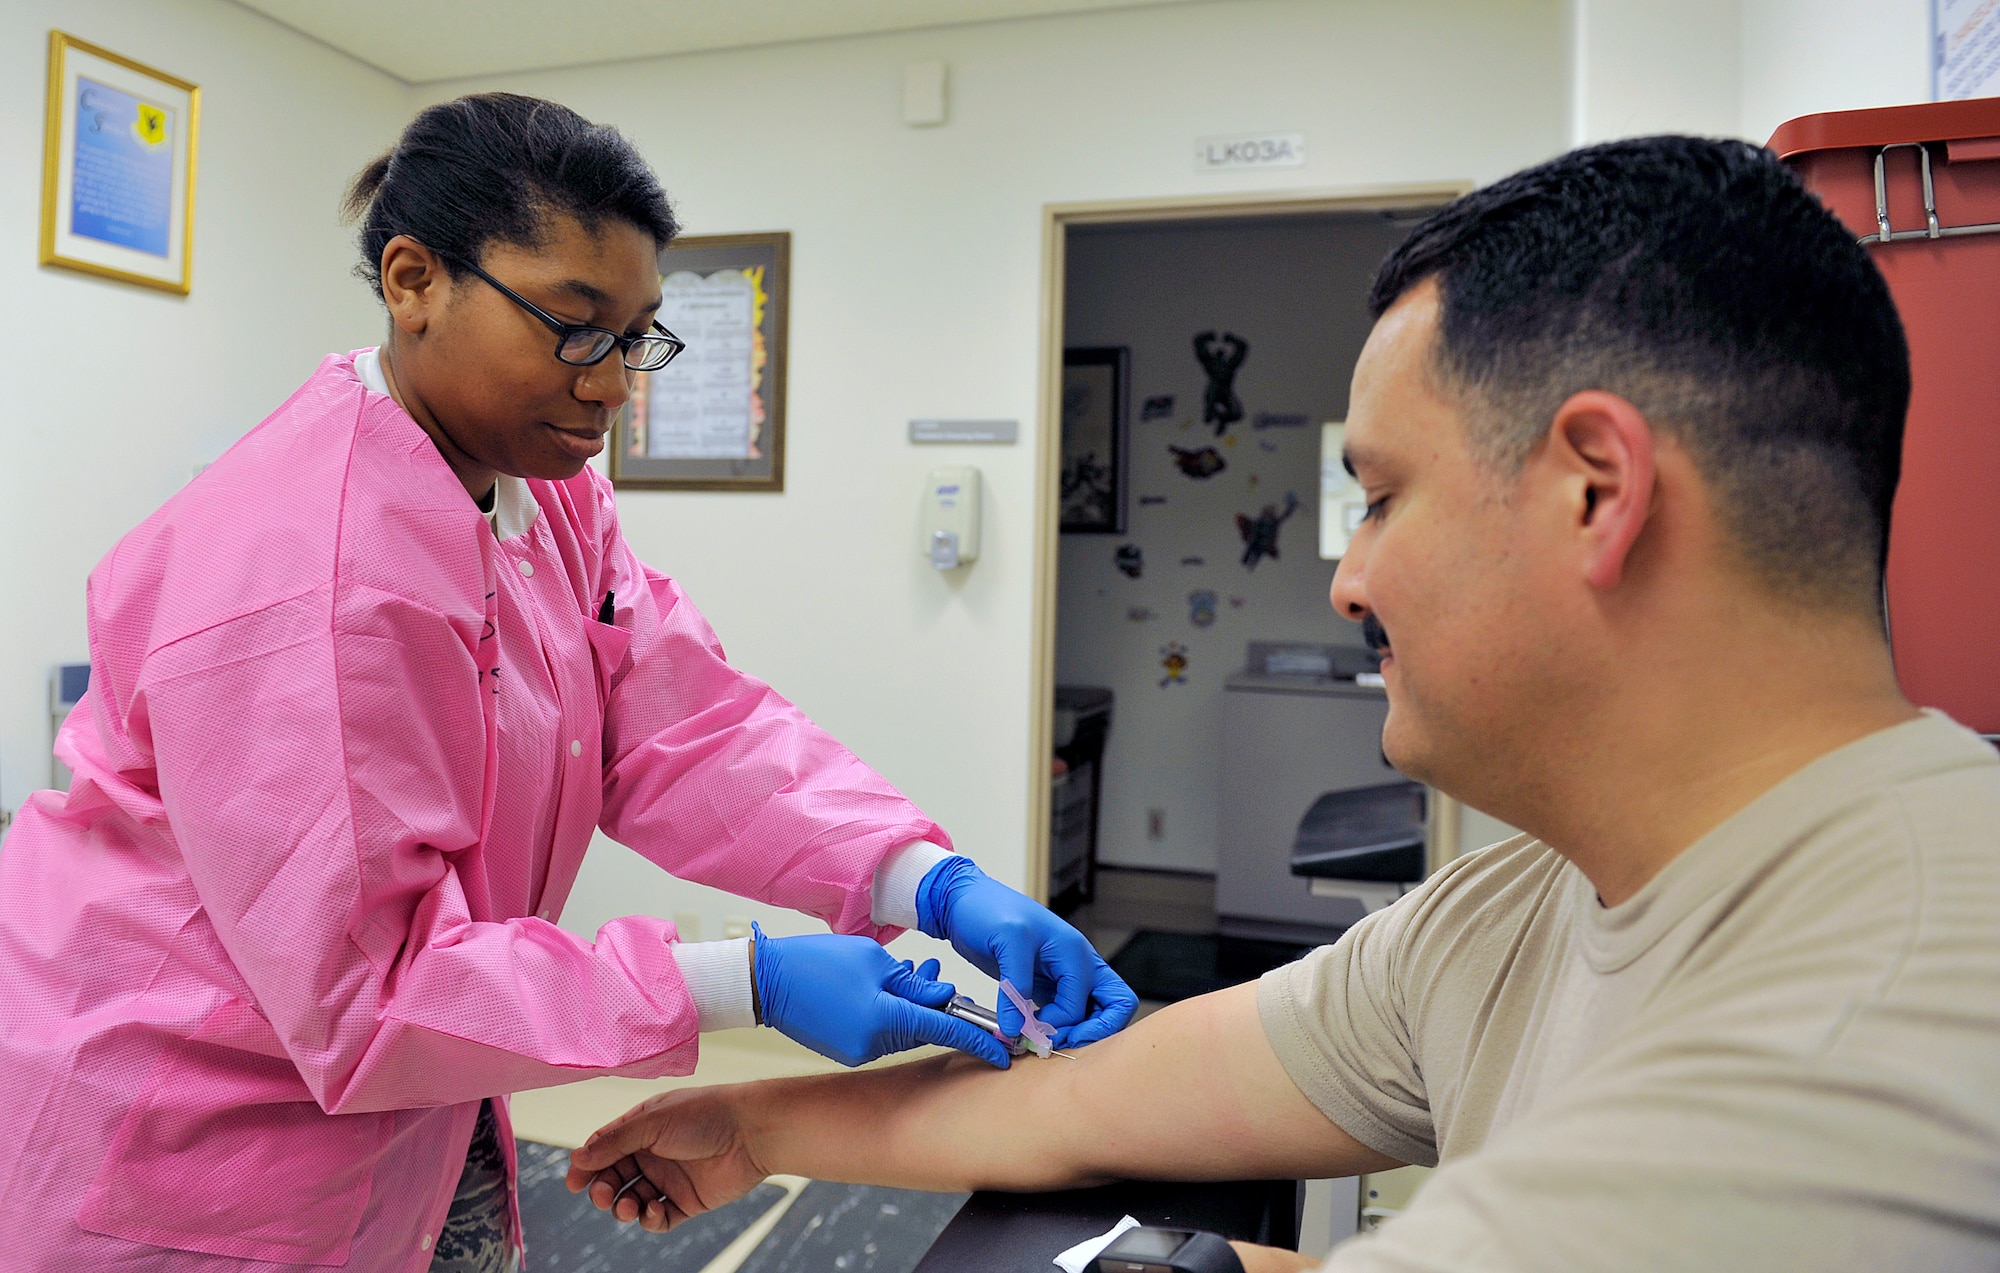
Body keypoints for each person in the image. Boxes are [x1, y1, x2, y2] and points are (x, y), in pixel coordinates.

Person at [567, 136, 2000, 1271]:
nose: (1346, 577)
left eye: (1380, 498)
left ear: (1594, 493)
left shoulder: (1859, 1071)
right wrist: (757, 1119)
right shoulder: (1514, 914)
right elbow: (1098, 1096)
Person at [0, 93, 1133, 1273]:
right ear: (412, 279)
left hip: (404, 1108)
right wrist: (742, 981)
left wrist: (922, 877)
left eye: (637, 334)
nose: (612, 385)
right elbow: (371, 994)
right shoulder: (307, 572)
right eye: (575, 327)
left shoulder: (537, 489)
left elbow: (680, 723)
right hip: (189, 1145)